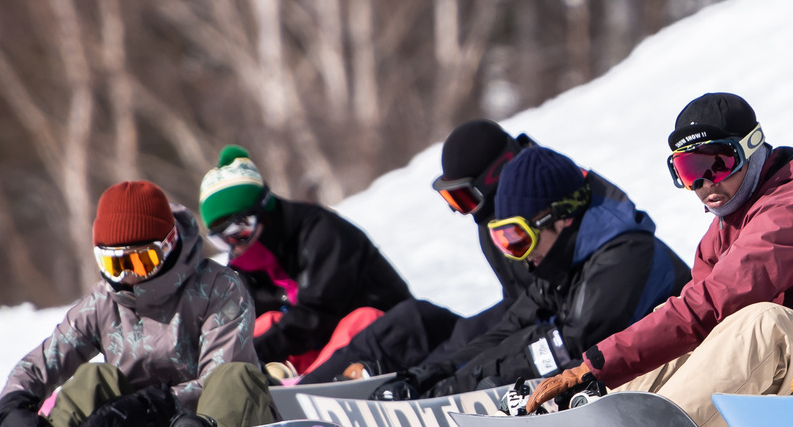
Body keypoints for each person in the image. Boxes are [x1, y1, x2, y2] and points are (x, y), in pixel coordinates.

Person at [522, 93, 793, 427]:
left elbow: (708, 305)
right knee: (679, 326)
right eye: (689, 170)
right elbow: (690, 321)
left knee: (764, 324)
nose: (705, 184)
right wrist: (592, 372)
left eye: (717, 164)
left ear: (752, 149)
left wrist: (599, 362)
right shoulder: (724, 230)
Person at [0, 181, 273, 427]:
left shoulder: (219, 288)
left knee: (236, 376)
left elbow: (218, 374)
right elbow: (42, 364)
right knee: (93, 378)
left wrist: (149, 406)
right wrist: (15, 409)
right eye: (114, 264)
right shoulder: (103, 302)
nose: (128, 276)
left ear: (168, 245)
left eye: (142, 261)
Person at [369, 146, 689, 398]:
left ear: (561, 218)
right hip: (622, 379)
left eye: (519, 237)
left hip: (674, 387)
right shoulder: (563, 257)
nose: (520, 256)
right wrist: (434, 373)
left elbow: (566, 346)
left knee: (539, 348)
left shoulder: (623, 259)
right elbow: (510, 326)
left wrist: (459, 387)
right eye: (505, 240)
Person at [296, 120, 535, 385]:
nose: (458, 211)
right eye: (452, 199)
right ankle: (308, 390)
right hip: (517, 317)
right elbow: (517, 304)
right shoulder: (493, 220)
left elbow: (550, 314)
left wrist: (450, 369)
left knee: (458, 354)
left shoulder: (543, 208)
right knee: (413, 319)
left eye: (463, 198)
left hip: (542, 336)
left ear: (495, 177)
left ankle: (413, 388)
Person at [198, 145, 411, 377]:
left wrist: (256, 352)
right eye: (222, 239)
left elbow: (317, 314)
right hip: (326, 347)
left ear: (265, 210)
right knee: (258, 326)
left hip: (393, 337)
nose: (235, 245)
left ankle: (309, 385)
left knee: (361, 320)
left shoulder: (324, 233)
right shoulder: (246, 268)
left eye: (240, 230)